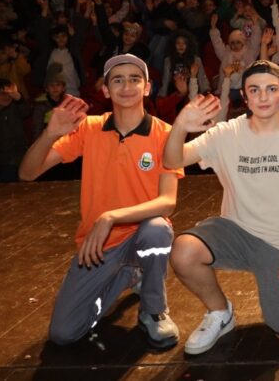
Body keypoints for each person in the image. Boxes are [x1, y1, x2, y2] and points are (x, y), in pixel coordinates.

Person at [17, 54, 182, 349]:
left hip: (140, 234)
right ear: (105, 90)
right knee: (64, 333)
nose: (126, 86)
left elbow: (168, 202)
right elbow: (27, 174)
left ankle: (153, 310)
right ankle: (131, 273)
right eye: (117, 80)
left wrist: (110, 217)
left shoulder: (165, 134)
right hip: (98, 245)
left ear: (147, 87)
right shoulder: (89, 128)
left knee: (157, 229)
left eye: (134, 79)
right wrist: (50, 133)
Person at [164, 60, 279, 354]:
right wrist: (180, 126)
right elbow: (173, 160)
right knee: (184, 252)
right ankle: (220, 312)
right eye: (255, 90)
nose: (263, 97)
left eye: (271, 89)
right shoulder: (226, 133)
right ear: (245, 95)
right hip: (236, 230)